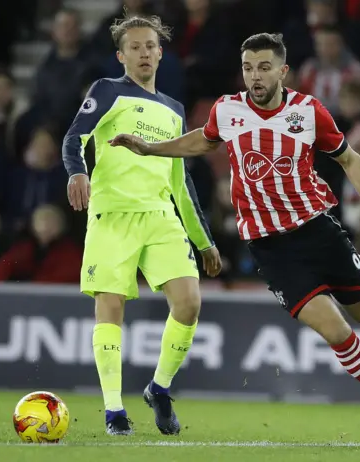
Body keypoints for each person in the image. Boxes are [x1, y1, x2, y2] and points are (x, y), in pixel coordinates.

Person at [109, 32, 360, 443]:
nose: (255, 76)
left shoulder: (309, 112)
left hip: (317, 229)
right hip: (270, 247)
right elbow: (202, 140)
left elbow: (351, 161)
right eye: (248, 68)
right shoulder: (228, 110)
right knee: (338, 333)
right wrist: (151, 148)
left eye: (264, 67)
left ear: (283, 71)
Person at [61, 13, 221, 437]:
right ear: (121, 55)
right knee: (111, 307)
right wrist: (77, 172)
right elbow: (74, 137)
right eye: (135, 46)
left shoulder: (173, 110)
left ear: (161, 52)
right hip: (112, 216)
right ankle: (114, 411)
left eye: (150, 45)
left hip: (160, 217)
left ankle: (159, 387)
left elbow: (181, 183)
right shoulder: (107, 91)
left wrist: (204, 241)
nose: (144, 52)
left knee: (188, 304)